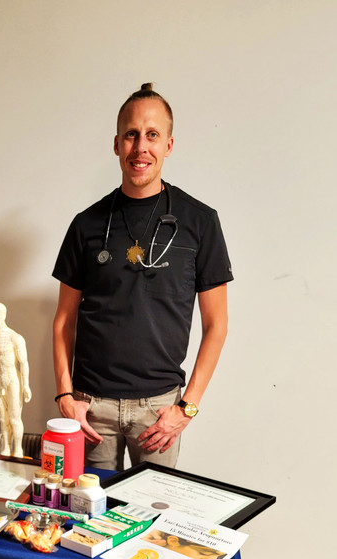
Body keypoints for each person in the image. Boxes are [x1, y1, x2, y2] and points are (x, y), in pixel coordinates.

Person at [52, 83, 233, 470]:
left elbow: (217, 324)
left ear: (169, 144)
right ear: (117, 144)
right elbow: (64, 320)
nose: (141, 147)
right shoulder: (86, 225)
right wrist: (65, 396)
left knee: (152, 523)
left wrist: (187, 407)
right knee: (88, 520)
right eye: (131, 135)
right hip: (91, 409)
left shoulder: (200, 222)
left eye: (152, 135)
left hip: (159, 410)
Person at [0, 302, 32, 457]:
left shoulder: (15, 338)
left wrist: (26, 386)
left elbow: (24, 363)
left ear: (3, 315)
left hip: (11, 380)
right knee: (3, 418)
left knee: (14, 417)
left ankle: (18, 449)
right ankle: (6, 446)